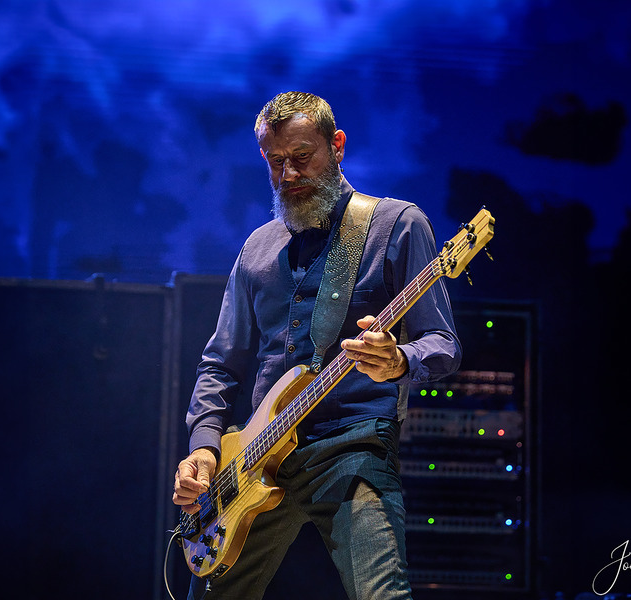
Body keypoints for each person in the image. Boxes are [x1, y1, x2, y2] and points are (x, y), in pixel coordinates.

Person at [172, 91, 461, 600]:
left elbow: (443, 343)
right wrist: (204, 446)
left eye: (302, 157)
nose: (288, 174)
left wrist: (398, 360)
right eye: (275, 161)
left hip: (352, 443)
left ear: (337, 145)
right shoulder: (257, 248)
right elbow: (220, 363)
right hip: (258, 456)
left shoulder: (396, 224)